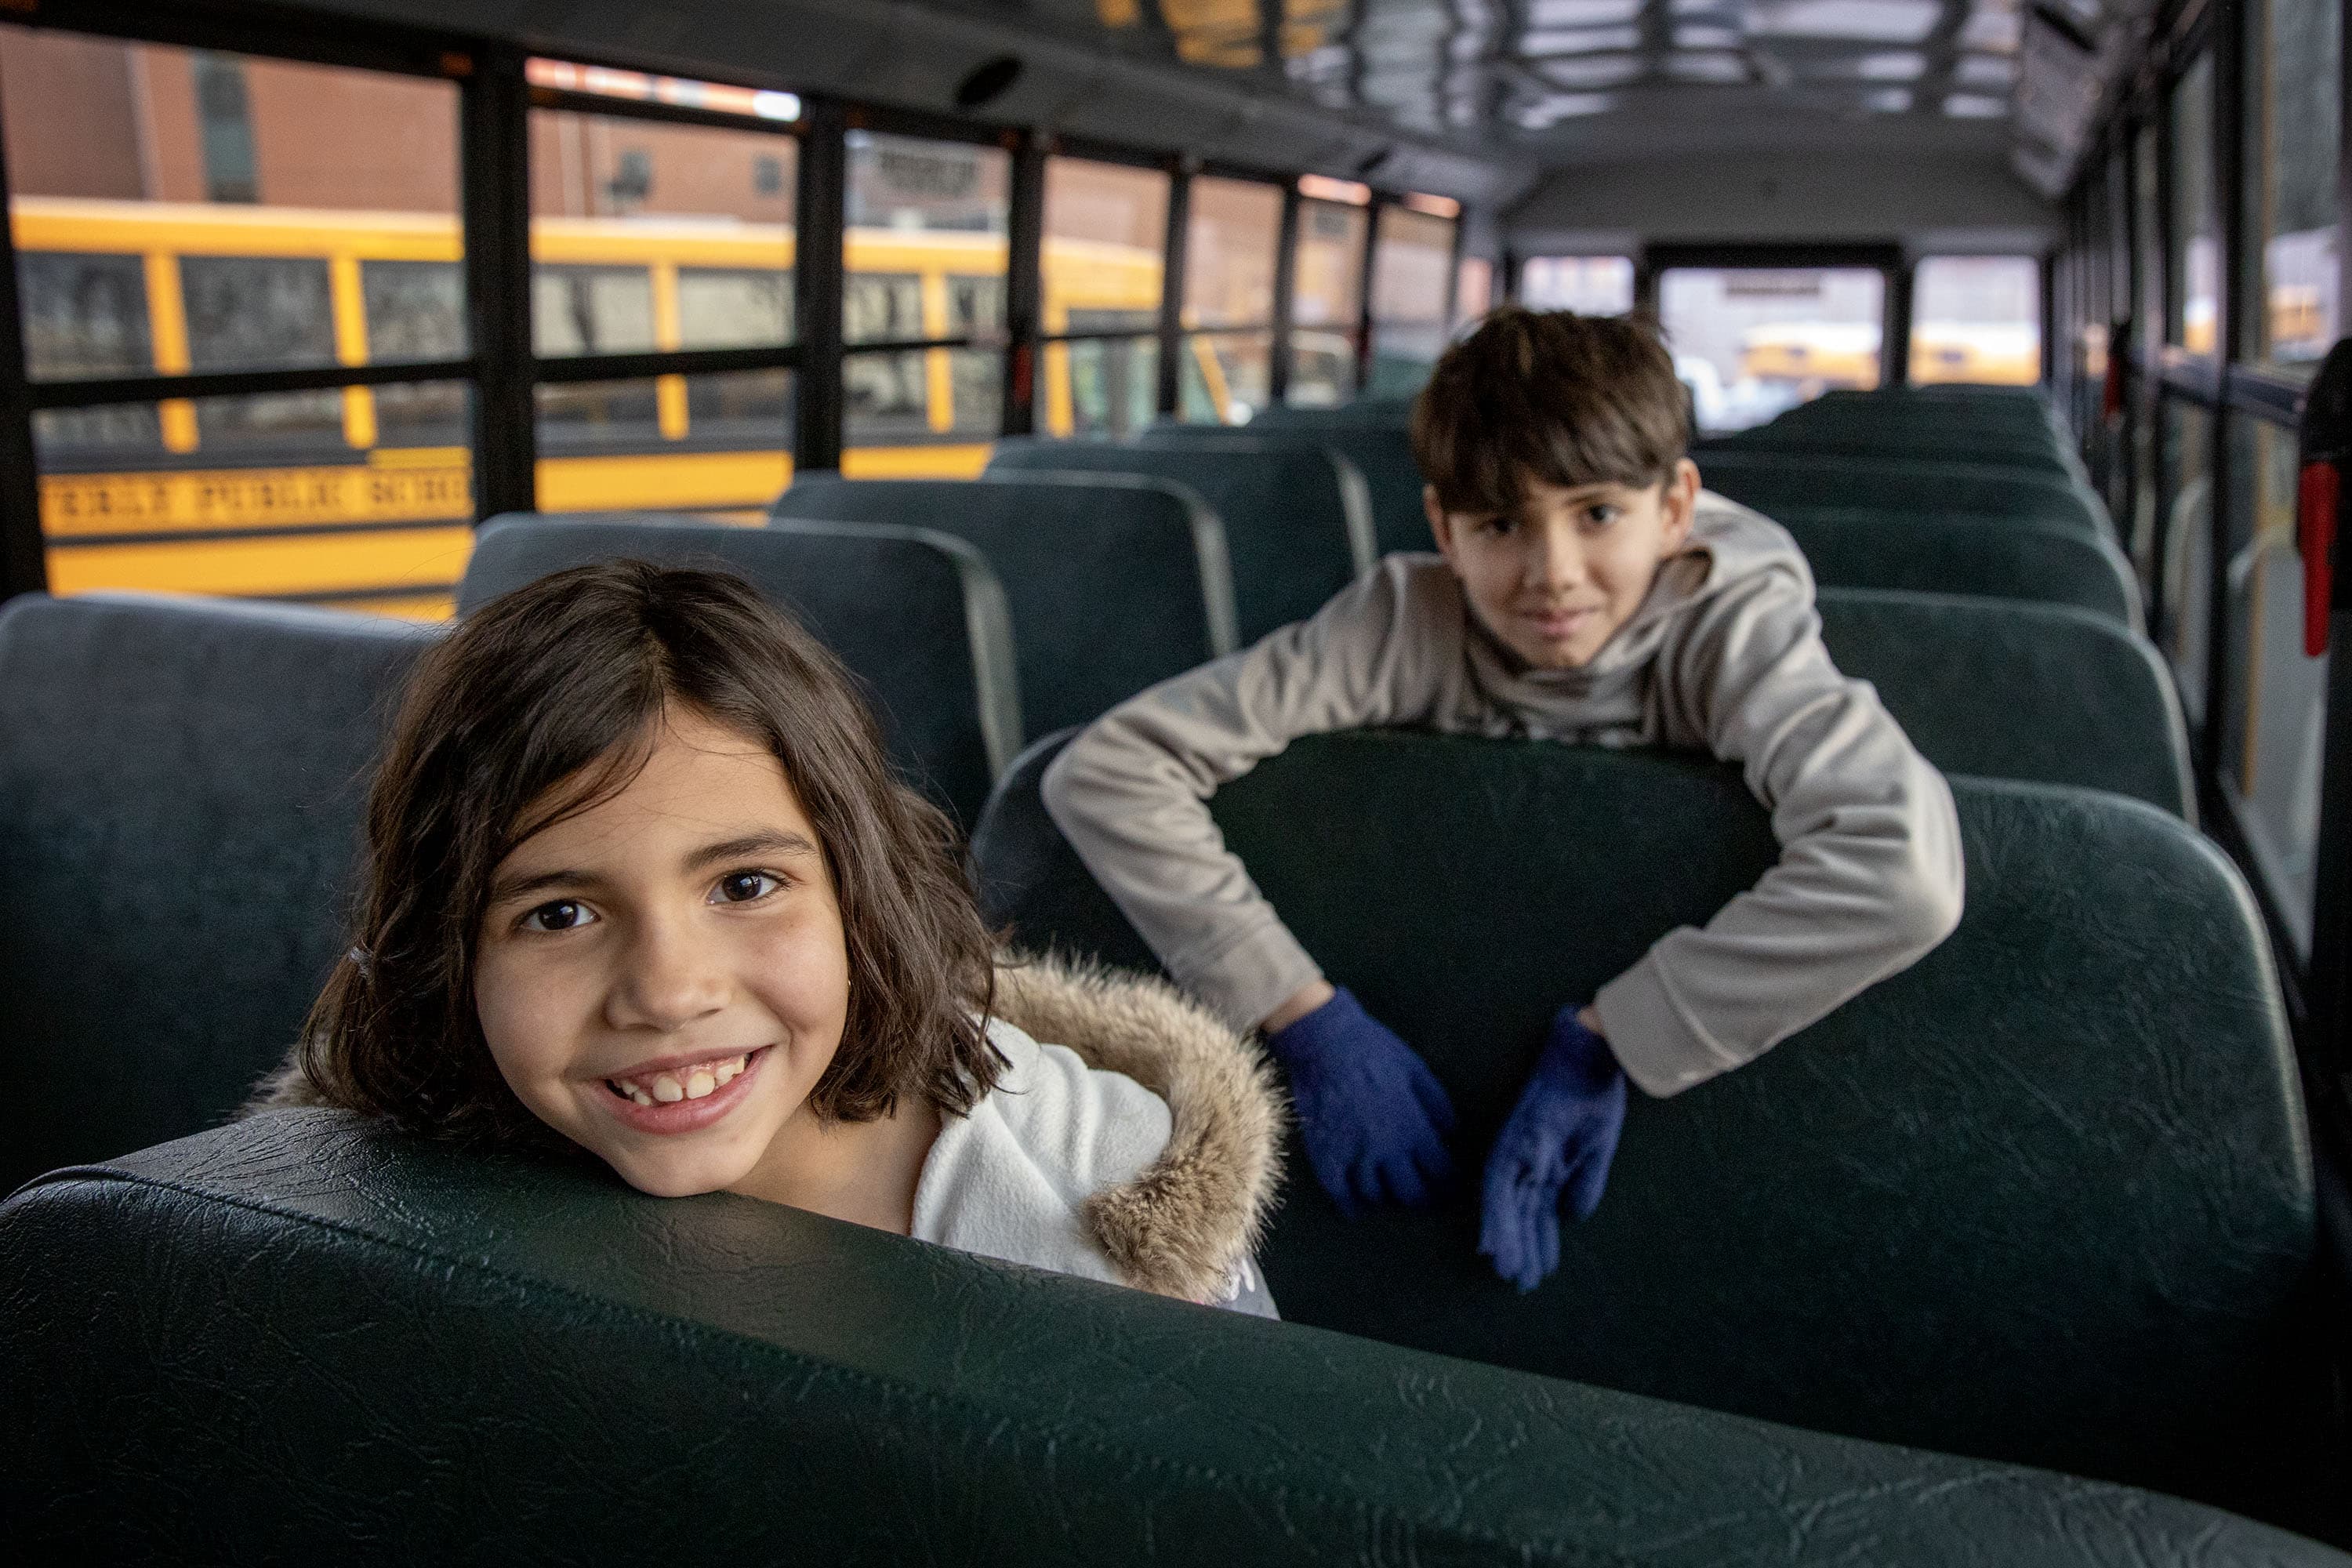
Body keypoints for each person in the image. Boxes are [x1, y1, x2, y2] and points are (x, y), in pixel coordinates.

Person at [1043, 307, 1964, 1291]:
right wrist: (1301, 1014)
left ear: (1677, 507)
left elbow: (1899, 868)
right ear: (1445, 528)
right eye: (1501, 524)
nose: (1552, 573)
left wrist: (1616, 1038)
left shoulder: (1734, 632)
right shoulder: (1406, 621)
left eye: (1598, 513)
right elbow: (1111, 768)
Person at [256, 561, 1283, 1314]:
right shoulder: (380, 1193)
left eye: (745, 885)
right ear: (447, 957)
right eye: (557, 914)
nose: (666, 991)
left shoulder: (1104, 1195)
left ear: (860, 897)